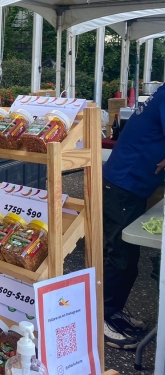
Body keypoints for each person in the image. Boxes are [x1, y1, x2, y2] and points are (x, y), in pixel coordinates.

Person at [101, 84, 165, 349]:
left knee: (128, 256)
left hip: (131, 183)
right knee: (120, 255)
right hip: (125, 183)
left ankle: (113, 311)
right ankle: (102, 320)